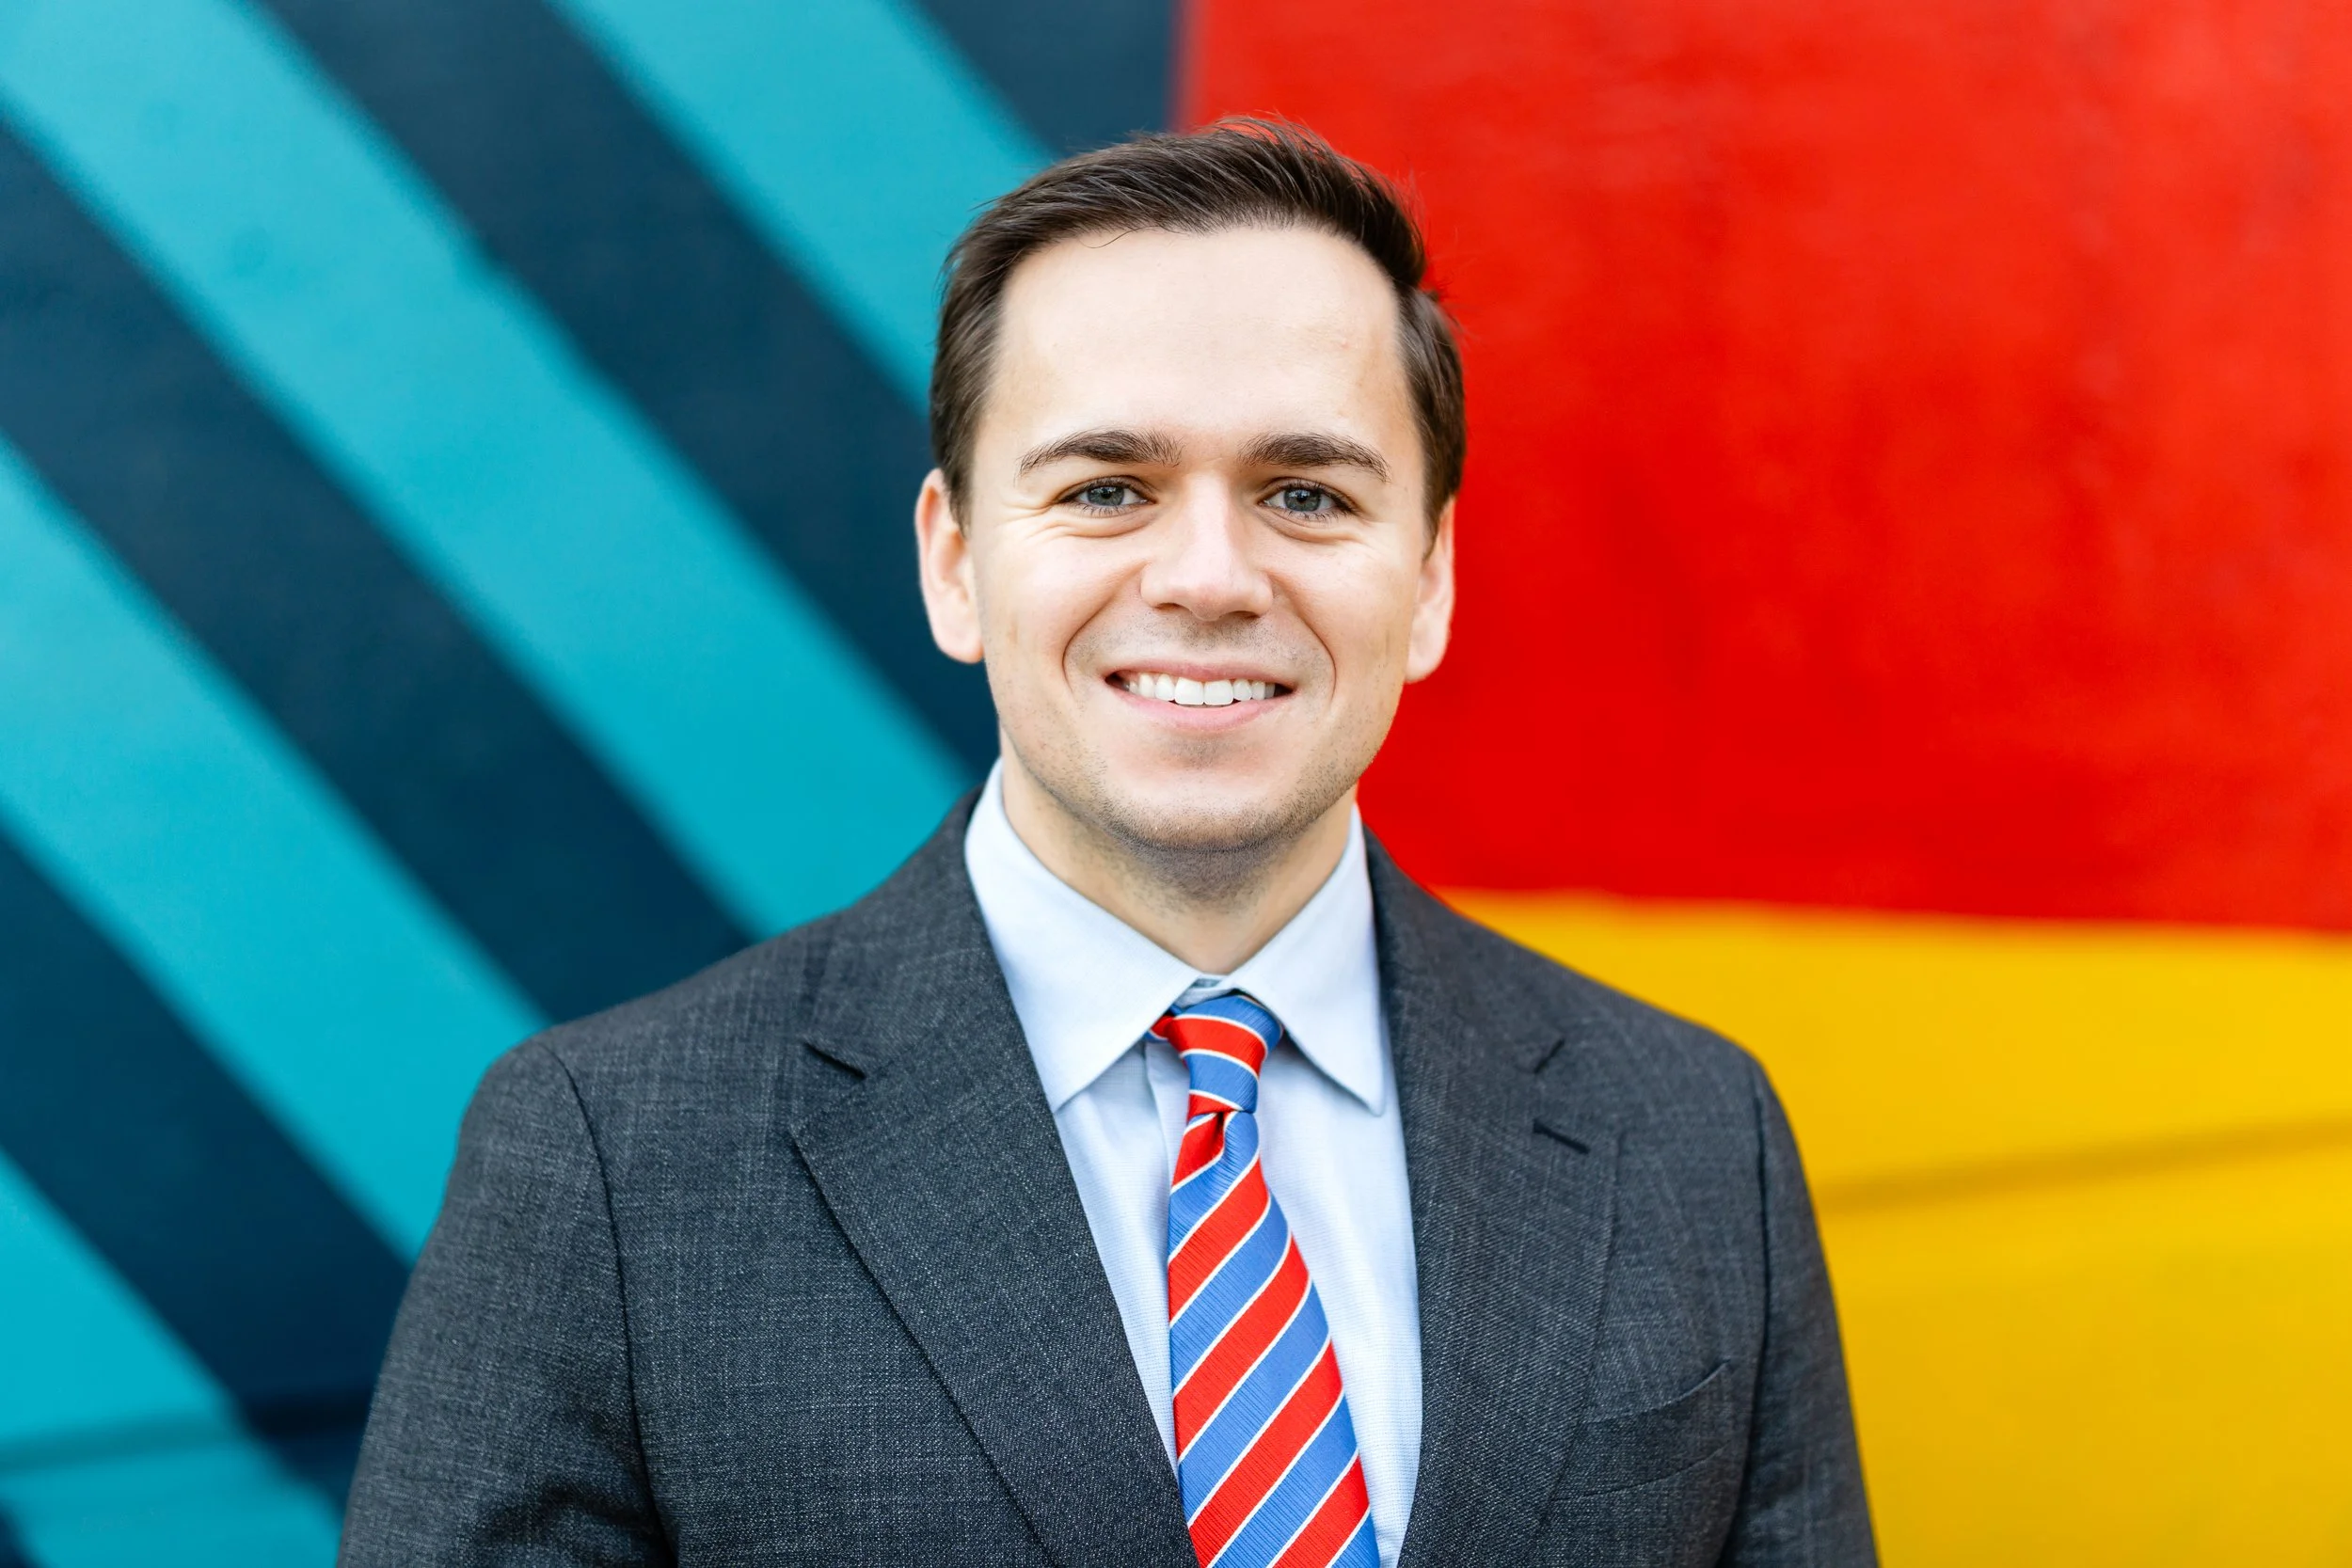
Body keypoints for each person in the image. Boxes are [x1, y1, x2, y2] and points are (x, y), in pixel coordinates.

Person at [341, 121, 1874, 1568]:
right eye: (1107, 488)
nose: (1209, 575)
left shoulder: (1694, 1135)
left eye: (1304, 491)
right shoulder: (611, 1160)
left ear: (1429, 579)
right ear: (956, 562)